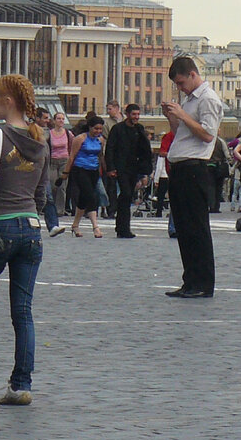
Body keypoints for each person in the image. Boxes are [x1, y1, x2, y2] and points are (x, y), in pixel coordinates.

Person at [0, 74, 48, 407]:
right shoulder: (39, 140)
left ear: (8, 101)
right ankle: (21, 383)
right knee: (23, 312)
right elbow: (42, 195)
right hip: (31, 228)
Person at [162, 55, 224, 299]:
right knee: (184, 228)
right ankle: (190, 281)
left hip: (195, 168)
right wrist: (172, 117)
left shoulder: (208, 99)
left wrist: (183, 115)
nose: (179, 87)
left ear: (192, 75)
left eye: (181, 82)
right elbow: (182, 134)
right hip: (180, 166)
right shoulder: (189, 100)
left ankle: (203, 283)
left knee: (197, 228)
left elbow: (208, 135)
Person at [104, 104, 153, 239]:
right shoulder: (117, 129)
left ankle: (122, 226)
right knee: (125, 194)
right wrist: (111, 167)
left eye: (138, 114)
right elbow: (110, 149)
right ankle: (123, 228)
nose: (136, 117)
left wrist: (144, 171)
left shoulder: (139, 129)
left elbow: (144, 150)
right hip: (121, 167)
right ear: (127, 114)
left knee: (128, 195)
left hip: (134, 168)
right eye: (133, 114)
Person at [62, 115, 106, 238]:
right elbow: (72, 156)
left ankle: (75, 225)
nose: (98, 131)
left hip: (93, 170)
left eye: (100, 129)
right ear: (90, 127)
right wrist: (66, 173)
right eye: (96, 128)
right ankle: (95, 227)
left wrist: (107, 170)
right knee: (91, 196)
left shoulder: (101, 140)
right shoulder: (80, 139)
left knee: (83, 198)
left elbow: (101, 156)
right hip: (80, 169)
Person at [33, 108, 65, 237]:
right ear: (37, 118)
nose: (48, 120)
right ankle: (34, 224)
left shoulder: (44, 131)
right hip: (33, 170)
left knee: (48, 197)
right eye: (45, 118)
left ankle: (53, 225)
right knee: (35, 198)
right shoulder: (32, 130)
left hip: (43, 170)